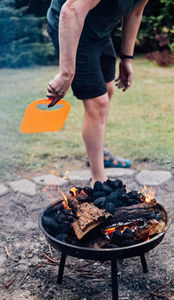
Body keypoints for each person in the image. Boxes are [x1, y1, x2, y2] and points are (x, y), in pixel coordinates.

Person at [46, 0, 148, 187]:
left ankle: (97, 153)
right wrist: (66, 73)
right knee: (98, 102)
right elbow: (71, 11)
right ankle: (98, 180)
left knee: (107, 91)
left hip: (99, 34)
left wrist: (127, 58)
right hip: (72, 30)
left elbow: (135, 12)